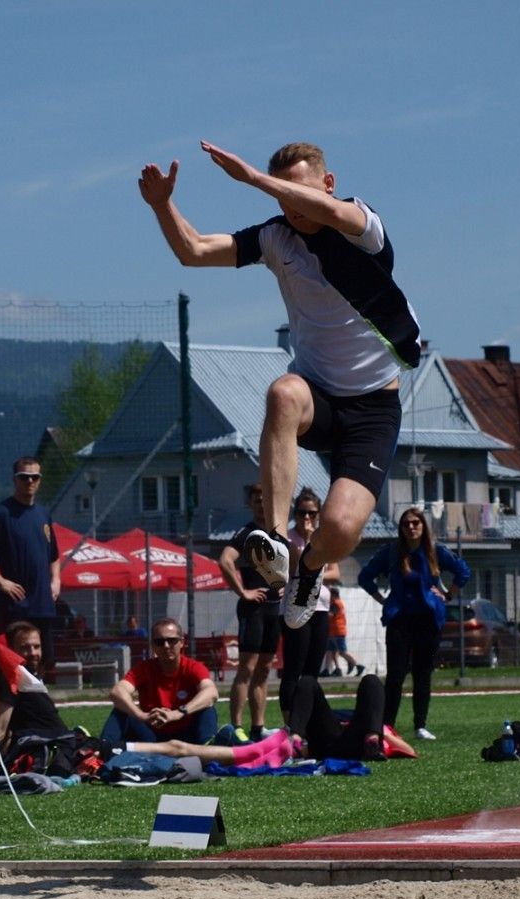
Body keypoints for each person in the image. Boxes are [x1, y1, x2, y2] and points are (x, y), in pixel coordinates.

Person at [139, 140, 419, 632]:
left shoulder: (362, 227)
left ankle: (308, 569)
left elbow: (329, 212)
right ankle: (274, 543)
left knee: (341, 529)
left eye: (297, 191)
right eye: (280, 195)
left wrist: (254, 179)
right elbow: (194, 250)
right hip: (318, 397)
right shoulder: (276, 237)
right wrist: (163, 206)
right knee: (283, 393)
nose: (290, 204)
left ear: (328, 184)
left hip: (374, 408)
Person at [358, 506, 471, 741]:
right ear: (400, 528)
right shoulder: (391, 552)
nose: (411, 527)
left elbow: (463, 571)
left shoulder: (436, 551)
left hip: (428, 620)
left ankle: (420, 725)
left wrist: (447, 594)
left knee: (423, 673)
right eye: (406, 524)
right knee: (396, 675)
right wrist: (382, 599)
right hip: (400, 620)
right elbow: (365, 577)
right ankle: (387, 726)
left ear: (423, 526)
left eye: (415, 523)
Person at [125, 675, 388, 767]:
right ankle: (295, 737)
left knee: (371, 681)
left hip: (353, 742)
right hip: (327, 741)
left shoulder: (379, 724)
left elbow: (402, 746)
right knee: (309, 681)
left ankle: (371, 738)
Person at [0, 456, 61, 670]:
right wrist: (0, 581)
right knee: (13, 667)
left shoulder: (43, 514)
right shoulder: (0, 514)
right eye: (24, 477)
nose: (29, 481)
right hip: (14, 607)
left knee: (44, 664)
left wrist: (56, 580)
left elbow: (54, 555)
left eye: (34, 477)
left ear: (39, 480)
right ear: (14, 479)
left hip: (43, 606)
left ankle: (38, 691)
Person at [217, 484, 283, 742]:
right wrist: (243, 592)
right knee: (246, 668)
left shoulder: (279, 534)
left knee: (265, 669)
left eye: (266, 500)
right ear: (250, 504)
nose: (262, 505)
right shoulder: (246, 533)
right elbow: (225, 560)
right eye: (257, 500)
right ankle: (236, 727)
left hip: (274, 610)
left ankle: (258, 727)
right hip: (253, 610)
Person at [102, 617, 219, 747]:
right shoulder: (143, 668)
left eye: (172, 640)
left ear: (182, 642)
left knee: (207, 707)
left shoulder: (193, 667)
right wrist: (142, 716)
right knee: (122, 709)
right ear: (153, 646)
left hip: (187, 734)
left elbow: (211, 692)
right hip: (151, 734)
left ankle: (208, 748)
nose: (166, 646)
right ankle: (102, 750)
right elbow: (117, 692)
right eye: (159, 642)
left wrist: (178, 713)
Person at [0, 620, 71, 766]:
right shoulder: (13, 677)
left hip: (55, 745)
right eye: (25, 648)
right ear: (11, 650)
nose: (33, 653)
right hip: (53, 747)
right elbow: (0, 728)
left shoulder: (29, 676)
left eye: (37, 647)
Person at [278, 489, 338, 721]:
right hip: (296, 607)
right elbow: (294, 571)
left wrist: (315, 546)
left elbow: (335, 572)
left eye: (312, 513)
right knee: (294, 666)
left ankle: (308, 720)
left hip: (320, 607)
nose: (307, 517)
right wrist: (311, 556)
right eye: (302, 512)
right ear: (295, 514)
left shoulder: (325, 539)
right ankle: (289, 722)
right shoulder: (288, 539)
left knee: (313, 669)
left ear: (319, 514)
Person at [322, 586, 365, 677]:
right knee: (331, 651)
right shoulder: (337, 603)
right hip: (333, 631)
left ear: (334, 595)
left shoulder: (336, 603)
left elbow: (330, 615)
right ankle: (332, 669)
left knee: (341, 652)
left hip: (337, 631)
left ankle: (357, 665)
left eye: (330, 595)